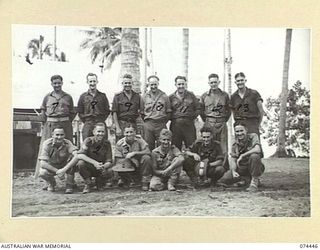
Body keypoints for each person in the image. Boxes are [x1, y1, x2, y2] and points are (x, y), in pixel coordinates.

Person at [35, 75, 76, 178]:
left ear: (62, 83)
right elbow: (43, 111)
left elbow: (72, 112)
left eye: (59, 83)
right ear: (51, 84)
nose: (57, 85)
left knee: (68, 148)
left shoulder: (68, 97)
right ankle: (48, 177)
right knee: (48, 148)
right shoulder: (47, 97)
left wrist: (65, 122)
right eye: (55, 83)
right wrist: (47, 124)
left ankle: (70, 178)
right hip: (50, 125)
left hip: (65, 124)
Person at [217, 123, 265, 192]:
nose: (239, 133)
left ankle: (254, 181)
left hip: (254, 166)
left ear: (246, 130)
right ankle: (245, 180)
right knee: (222, 181)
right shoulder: (235, 143)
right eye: (237, 131)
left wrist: (243, 155)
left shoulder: (253, 136)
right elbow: (233, 159)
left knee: (254, 156)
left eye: (241, 131)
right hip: (241, 168)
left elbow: (257, 149)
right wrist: (233, 171)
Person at [38, 127, 78, 194]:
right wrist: (58, 171)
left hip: (65, 165)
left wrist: (64, 170)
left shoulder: (67, 143)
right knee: (42, 172)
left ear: (64, 135)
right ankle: (51, 183)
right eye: (57, 135)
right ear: (52, 135)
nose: (59, 137)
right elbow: (42, 163)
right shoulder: (47, 144)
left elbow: (77, 156)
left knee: (73, 162)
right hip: (52, 166)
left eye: (61, 135)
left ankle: (69, 184)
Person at [76, 123, 113, 194]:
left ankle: (100, 181)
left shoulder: (107, 143)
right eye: (98, 131)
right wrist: (95, 163)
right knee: (81, 163)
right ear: (94, 132)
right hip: (90, 166)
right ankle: (88, 183)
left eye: (102, 132)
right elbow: (80, 155)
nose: (100, 134)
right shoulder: (88, 141)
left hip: (101, 167)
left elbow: (109, 160)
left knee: (110, 170)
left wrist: (103, 166)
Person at [112, 124, 152, 191]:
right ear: (124, 133)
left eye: (131, 132)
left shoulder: (139, 140)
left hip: (139, 163)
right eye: (127, 132)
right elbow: (118, 160)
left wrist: (134, 153)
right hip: (126, 164)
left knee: (146, 158)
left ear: (135, 132)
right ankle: (125, 179)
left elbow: (148, 151)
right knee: (121, 165)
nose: (129, 134)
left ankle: (145, 181)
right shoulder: (120, 143)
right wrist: (130, 159)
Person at [200, 73, 230, 154]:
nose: (213, 84)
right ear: (209, 83)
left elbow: (229, 110)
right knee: (210, 146)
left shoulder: (225, 95)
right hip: (209, 123)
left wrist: (222, 120)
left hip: (221, 123)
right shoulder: (204, 96)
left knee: (223, 147)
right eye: (211, 82)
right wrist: (208, 121)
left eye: (215, 82)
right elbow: (201, 111)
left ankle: (224, 166)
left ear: (218, 82)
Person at [169, 76, 201, 150]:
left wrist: (191, 117)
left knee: (192, 147)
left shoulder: (191, 95)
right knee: (175, 148)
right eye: (179, 84)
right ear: (175, 85)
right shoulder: (171, 97)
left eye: (183, 84)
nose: (181, 86)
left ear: (185, 84)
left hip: (189, 125)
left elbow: (198, 108)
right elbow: (167, 111)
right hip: (175, 126)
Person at [142, 75, 171, 150]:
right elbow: (141, 112)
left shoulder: (164, 96)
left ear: (158, 84)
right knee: (148, 145)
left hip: (160, 123)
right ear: (148, 85)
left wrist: (163, 121)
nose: (153, 86)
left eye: (155, 84)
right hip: (149, 123)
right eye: (151, 84)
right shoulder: (144, 97)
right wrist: (147, 122)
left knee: (162, 145)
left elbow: (168, 112)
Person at [77, 73, 110, 140]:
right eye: (90, 81)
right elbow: (80, 112)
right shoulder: (83, 96)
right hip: (88, 123)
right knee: (87, 143)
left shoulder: (102, 96)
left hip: (100, 122)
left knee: (102, 144)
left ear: (97, 82)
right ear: (87, 82)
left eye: (94, 81)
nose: (92, 83)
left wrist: (101, 120)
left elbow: (107, 110)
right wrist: (87, 120)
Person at [230, 72, 264, 136]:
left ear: (245, 80)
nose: (240, 82)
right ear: (235, 82)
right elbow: (233, 113)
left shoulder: (254, 93)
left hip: (252, 124)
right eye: (238, 81)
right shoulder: (233, 97)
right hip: (239, 125)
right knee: (240, 145)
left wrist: (258, 124)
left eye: (241, 80)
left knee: (254, 144)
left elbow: (261, 111)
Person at [111, 74, 143, 141]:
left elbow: (140, 112)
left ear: (132, 83)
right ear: (122, 84)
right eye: (125, 83)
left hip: (133, 124)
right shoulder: (117, 97)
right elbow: (114, 112)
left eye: (129, 83)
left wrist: (139, 126)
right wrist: (117, 127)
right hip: (122, 124)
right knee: (121, 145)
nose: (127, 85)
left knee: (134, 145)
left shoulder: (137, 96)